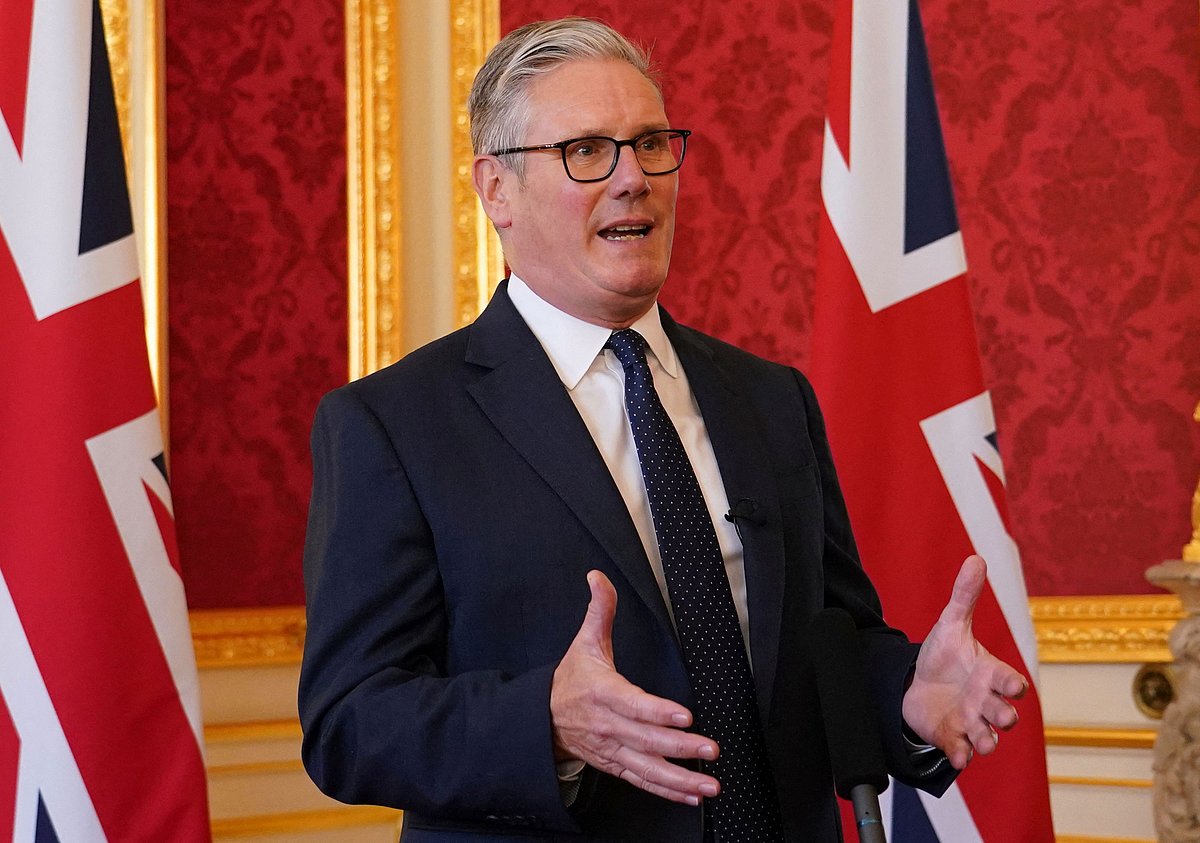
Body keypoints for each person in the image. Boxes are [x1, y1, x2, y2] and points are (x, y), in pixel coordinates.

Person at [298, 17, 1028, 843]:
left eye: (651, 143)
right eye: (585, 151)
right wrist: (545, 719)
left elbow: (829, 643)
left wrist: (905, 694)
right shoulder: (394, 424)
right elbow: (347, 723)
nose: (632, 178)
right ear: (495, 189)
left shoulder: (771, 397)